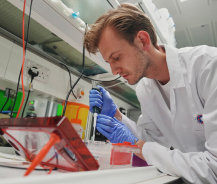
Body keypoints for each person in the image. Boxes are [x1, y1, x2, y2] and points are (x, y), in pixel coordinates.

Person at [84, 3, 217, 184]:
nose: (114, 70)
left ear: (143, 41)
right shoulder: (145, 89)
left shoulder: (208, 68)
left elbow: (213, 169)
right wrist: (118, 117)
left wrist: (137, 146)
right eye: (109, 62)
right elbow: (153, 141)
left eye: (116, 57)